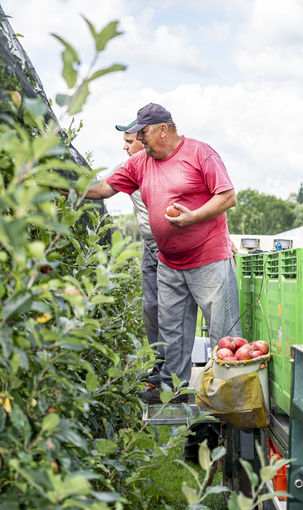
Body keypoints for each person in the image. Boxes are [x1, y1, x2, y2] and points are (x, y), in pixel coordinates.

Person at [83, 103, 242, 403]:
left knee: (223, 332)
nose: (139, 140)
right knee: (172, 332)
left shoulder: (199, 153)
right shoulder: (140, 163)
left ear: (163, 130)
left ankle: (229, 398)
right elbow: (104, 189)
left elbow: (227, 196)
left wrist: (192, 217)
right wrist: (62, 185)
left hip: (209, 260)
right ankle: (174, 392)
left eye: (143, 133)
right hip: (169, 263)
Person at [115, 119, 164, 375]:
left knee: (171, 309)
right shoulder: (129, 168)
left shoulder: (160, 166)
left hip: (170, 248)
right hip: (149, 248)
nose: (125, 147)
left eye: (129, 142)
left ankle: (172, 372)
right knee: (150, 306)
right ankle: (159, 365)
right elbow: (101, 186)